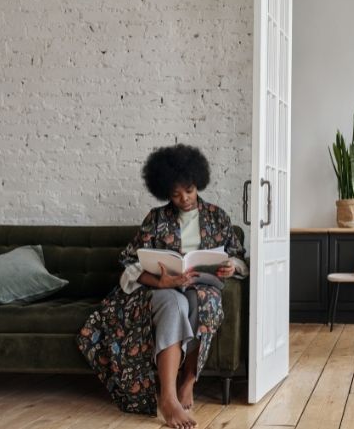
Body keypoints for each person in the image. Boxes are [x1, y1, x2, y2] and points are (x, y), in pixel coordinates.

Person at [77, 144, 247, 429]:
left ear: (198, 184)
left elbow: (238, 256)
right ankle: (168, 398)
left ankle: (189, 380)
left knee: (204, 302)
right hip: (161, 288)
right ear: (165, 192)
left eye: (189, 190)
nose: (184, 199)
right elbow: (130, 263)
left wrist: (233, 266)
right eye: (176, 194)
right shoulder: (155, 219)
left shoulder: (218, 217)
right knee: (174, 302)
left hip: (203, 284)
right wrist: (160, 281)